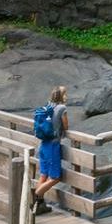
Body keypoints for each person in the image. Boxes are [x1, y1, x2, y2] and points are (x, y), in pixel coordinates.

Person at [32, 86, 70, 214]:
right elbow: (66, 125)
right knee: (55, 177)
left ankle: (39, 205)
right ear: (61, 96)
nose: (67, 96)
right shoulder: (62, 108)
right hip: (53, 146)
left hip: (43, 145)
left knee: (44, 175)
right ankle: (35, 195)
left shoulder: (48, 106)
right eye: (65, 94)